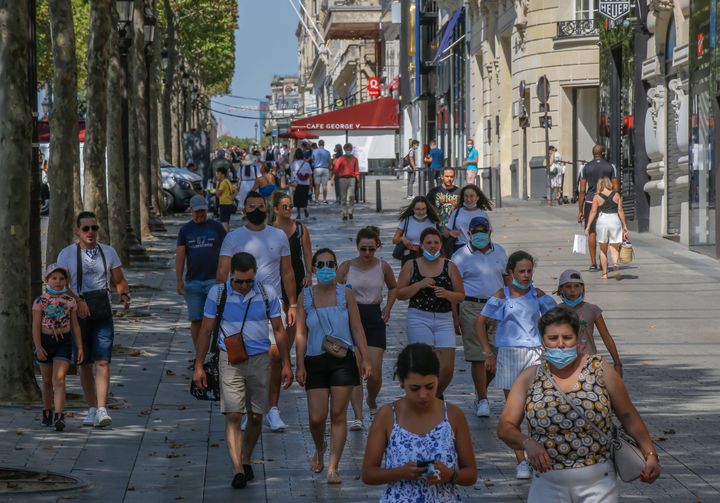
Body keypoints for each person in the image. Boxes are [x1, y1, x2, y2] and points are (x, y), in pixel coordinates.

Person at [498, 307, 660, 501]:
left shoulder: (600, 369)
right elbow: (505, 427)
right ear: (542, 342)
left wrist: (650, 453)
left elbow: (628, 416)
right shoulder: (529, 377)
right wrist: (527, 443)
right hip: (547, 483)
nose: (560, 344)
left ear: (578, 339)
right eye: (553, 338)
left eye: (567, 337)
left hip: (599, 483)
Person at [193, 252, 293, 490]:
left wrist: (287, 363)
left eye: (249, 281)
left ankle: (246, 456)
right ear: (231, 276)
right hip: (230, 359)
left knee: (257, 416)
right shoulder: (217, 293)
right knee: (234, 415)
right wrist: (198, 366)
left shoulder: (267, 293)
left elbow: (279, 330)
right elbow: (206, 331)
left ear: (255, 274)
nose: (245, 285)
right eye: (239, 281)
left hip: (260, 360)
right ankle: (237, 467)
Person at [217, 191, 298, 432]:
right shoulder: (233, 238)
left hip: (270, 305)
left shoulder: (279, 235)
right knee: (245, 358)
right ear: (244, 210)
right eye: (251, 206)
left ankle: (272, 408)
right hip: (239, 307)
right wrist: (221, 303)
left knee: (274, 356)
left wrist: (292, 303)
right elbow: (222, 273)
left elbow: (287, 272)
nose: (256, 210)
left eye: (260, 206)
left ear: (267, 209)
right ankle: (248, 408)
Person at [475, 250, 556, 479]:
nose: (526, 275)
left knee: (535, 408)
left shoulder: (537, 295)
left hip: (535, 355)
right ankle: (521, 461)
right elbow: (480, 322)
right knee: (515, 411)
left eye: (529, 271)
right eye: (521, 271)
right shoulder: (503, 295)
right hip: (510, 354)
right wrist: (488, 352)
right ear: (511, 272)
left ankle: (536, 457)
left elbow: (557, 317)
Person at [295, 248, 372, 485]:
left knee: (338, 414)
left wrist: (366, 358)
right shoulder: (305, 296)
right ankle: (320, 448)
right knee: (317, 418)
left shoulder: (345, 293)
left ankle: (333, 467)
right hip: (315, 360)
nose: (326, 268)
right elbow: (300, 333)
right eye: (322, 264)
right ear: (314, 268)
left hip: (342, 360)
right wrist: (299, 365)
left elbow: (357, 328)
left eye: (331, 264)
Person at [361, 343, 477, 501]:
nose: (423, 395)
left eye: (430, 387)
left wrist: (450, 475)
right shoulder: (387, 415)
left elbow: (471, 474)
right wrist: (400, 472)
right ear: (401, 382)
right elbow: (368, 474)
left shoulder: (453, 415)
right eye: (415, 388)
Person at [56, 211, 131, 428]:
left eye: (94, 228)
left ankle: (101, 408)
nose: (90, 232)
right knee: (85, 363)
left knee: (103, 360)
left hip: (101, 311)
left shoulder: (108, 252)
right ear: (77, 231)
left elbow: (119, 279)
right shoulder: (66, 254)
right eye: (86, 228)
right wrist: (77, 300)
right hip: (77, 315)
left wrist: (124, 293)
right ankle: (91, 408)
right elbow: (58, 285)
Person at [337, 226, 398, 428]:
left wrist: (388, 307)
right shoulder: (346, 267)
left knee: (374, 372)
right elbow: (335, 291)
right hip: (352, 317)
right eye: (363, 249)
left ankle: (371, 399)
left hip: (374, 316)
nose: (367, 253)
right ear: (357, 247)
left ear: (377, 248)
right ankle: (358, 416)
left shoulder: (383, 266)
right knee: (355, 368)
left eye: (371, 249)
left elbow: (393, 287)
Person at [451, 216, 508, 417]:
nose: (480, 235)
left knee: (498, 356)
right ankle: (483, 399)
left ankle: (480, 390)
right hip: (471, 307)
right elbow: (453, 287)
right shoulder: (460, 256)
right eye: (476, 231)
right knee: (478, 357)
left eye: (484, 231)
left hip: (498, 308)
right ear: (469, 233)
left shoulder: (500, 251)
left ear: (490, 232)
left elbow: (507, 279)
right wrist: (455, 316)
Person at [396, 228, 465, 397]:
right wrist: (419, 285)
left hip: (444, 318)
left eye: (436, 243)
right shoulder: (411, 265)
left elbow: (461, 295)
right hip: (419, 317)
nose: (432, 246)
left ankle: (435, 396)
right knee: (424, 363)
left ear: (441, 245)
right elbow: (400, 294)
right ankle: (426, 400)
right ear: (421, 245)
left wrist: (447, 294)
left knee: (447, 368)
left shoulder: (450, 266)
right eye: (428, 243)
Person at [33, 264, 83, 431]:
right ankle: (47, 412)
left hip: (64, 341)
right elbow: (35, 326)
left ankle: (60, 415)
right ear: (47, 280)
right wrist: (38, 346)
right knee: (47, 381)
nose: (58, 281)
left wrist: (80, 347)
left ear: (66, 281)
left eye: (62, 278)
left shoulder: (70, 301)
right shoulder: (40, 301)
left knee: (59, 380)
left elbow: (75, 325)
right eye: (54, 278)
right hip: (46, 342)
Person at [176, 195, 226, 352]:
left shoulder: (217, 227)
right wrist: (179, 280)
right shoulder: (185, 230)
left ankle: (216, 352)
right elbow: (180, 255)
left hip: (215, 281)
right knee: (196, 319)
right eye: (197, 212)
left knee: (216, 319)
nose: (200, 214)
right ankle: (200, 355)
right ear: (191, 211)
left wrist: (224, 277)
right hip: (194, 282)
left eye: (203, 211)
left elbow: (227, 252)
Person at [555, 269, 622, 374]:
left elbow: (606, 337)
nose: (573, 290)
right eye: (568, 286)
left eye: (577, 286)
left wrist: (617, 363)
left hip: (589, 362)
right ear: (561, 289)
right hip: (564, 362)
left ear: (582, 288)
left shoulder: (592, 310)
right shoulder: (556, 311)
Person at [577, 144, 619, 271]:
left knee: (592, 232)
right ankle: (603, 262)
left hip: (590, 202)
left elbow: (582, 191)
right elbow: (616, 188)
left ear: (593, 153)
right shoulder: (610, 167)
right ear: (603, 153)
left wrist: (580, 210)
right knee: (604, 231)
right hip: (606, 202)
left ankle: (593, 263)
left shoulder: (585, 168)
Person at [585, 177, 629, 279]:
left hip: (602, 221)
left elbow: (593, 212)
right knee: (614, 247)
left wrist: (588, 226)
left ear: (599, 184)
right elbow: (620, 211)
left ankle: (605, 273)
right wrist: (625, 225)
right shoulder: (617, 195)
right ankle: (615, 264)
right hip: (615, 220)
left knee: (603, 249)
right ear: (609, 183)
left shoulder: (596, 197)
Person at [392, 196, 440, 266]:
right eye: (418, 209)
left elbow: (438, 241)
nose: (421, 212)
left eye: (423, 209)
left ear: (427, 209)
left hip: (428, 255)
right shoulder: (406, 220)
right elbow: (394, 240)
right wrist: (402, 239)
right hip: (410, 256)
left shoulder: (432, 221)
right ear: (413, 209)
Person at [446, 184, 493, 253]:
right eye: (466, 196)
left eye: (471, 196)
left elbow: (488, 233)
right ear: (463, 197)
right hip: (461, 249)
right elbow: (446, 231)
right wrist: (450, 233)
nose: (468, 199)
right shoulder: (457, 212)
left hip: (478, 249)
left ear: (477, 197)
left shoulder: (483, 214)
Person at [330, 143, 360, 221]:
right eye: (347, 149)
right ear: (344, 150)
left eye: (349, 149)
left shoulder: (354, 159)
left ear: (351, 150)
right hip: (342, 179)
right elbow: (336, 169)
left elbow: (356, 171)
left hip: (352, 179)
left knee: (351, 196)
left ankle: (350, 212)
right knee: (343, 197)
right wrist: (332, 178)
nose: (348, 151)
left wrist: (358, 181)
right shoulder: (341, 159)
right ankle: (344, 213)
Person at [291, 150, 313, 220]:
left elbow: (291, 174)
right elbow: (310, 175)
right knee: (304, 198)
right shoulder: (306, 164)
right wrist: (311, 184)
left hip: (297, 184)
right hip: (305, 184)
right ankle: (305, 208)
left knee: (297, 200)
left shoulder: (294, 163)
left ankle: (299, 214)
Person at [215, 166, 236, 232]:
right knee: (227, 222)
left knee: (224, 222)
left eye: (218, 174)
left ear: (223, 175)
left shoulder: (223, 183)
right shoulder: (228, 181)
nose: (217, 175)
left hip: (224, 204)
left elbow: (218, 195)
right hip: (229, 203)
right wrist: (232, 197)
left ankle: (226, 236)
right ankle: (228, 235)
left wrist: (217, 184)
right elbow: (235, 191)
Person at [312, 139, 332, 204]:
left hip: (317, 168)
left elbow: (313, 160)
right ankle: (324, 200)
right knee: (324, 185)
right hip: (325, 168)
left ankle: (316, 200)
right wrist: (329, 168)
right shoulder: (327, 152)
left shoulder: (314, 151)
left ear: (318, 144)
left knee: (317, 186)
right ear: (324, 144)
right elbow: (329, 162)